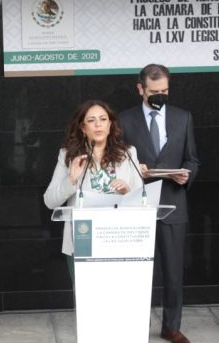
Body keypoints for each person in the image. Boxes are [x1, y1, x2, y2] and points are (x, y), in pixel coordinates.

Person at [119, 65, 199, 343]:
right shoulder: (124, 120)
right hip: (137, 205)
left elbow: (192, 159)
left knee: (174, 271)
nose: (160, 96)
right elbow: (115, 161)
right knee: (135, 272)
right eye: (154, 92)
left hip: (173, 203)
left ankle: (172, 328)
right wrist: (133, 169)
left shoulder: (182, 117)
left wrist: (186, 174)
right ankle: (131, 326)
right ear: (140, 88)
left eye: (165, 91)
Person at [44, 100, 144, 260]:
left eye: (103, 119)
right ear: (83, 128)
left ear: (110, 125)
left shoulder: (128, 154)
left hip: (120, 237)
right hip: (83, 238)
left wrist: (128, 191)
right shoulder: (68, 155)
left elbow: (144, 201)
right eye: (91, 120)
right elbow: (49, 201)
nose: (98, 125)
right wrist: (71, 180)